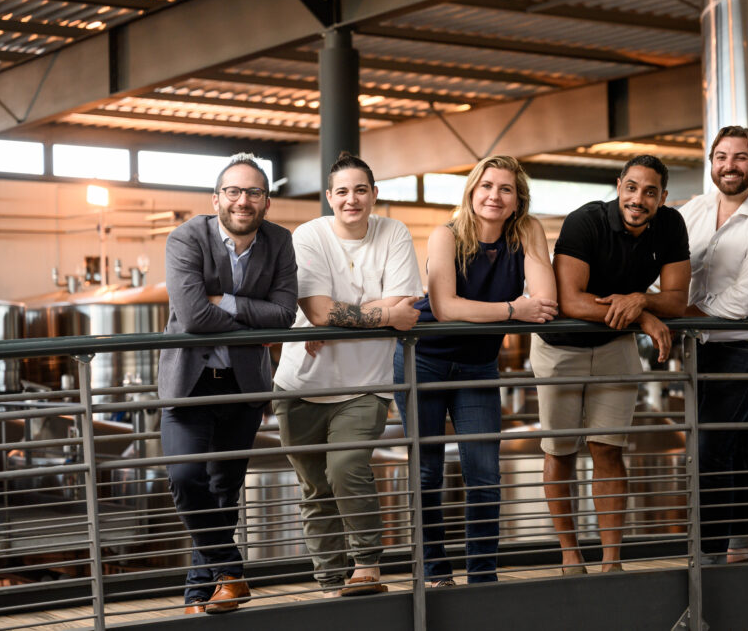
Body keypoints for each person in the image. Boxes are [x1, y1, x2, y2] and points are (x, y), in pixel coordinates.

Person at [393, 155, 557, 586]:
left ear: (518, 198)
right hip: (424, 360)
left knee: (484, 472)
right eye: (486, 186)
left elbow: (544, 301)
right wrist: (512, 310)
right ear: (471, 192)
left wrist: (514, 309)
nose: (494, 196)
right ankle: (435, 572)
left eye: (506, 189)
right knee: (427, 472)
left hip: (478, 365)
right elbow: (445, 308)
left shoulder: (527, 232)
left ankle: (483, 577)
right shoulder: (445, 236)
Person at [273, 153, 423, 597]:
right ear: (329, 197)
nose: (351, 199)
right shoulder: (308, 235)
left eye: (360, 190)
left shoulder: (394, 232)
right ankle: (328, 582)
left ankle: (366, 565)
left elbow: (402, 304)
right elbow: (320, 312)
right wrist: (378, 315)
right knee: (315, 488)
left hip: (365, 386)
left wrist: (334, 320)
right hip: (300, 384)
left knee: (346, 468)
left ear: (374, 194)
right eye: (342, 191)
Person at [531, 154, 690, 574]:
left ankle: (611, 562)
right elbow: (571, 301)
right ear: (619, 186)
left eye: (650, 192)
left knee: (609, 449)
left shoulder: (671, 225)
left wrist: (640, 300)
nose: (639, 199)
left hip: (614, 343)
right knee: (561, 450)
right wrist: (642, 316)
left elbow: (677, 300)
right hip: (560, 347)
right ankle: (570, 556)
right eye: (632, 188)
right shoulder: (585, 222)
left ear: (662, 198)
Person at [158, 153, 298, 615]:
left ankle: (201, 593)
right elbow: (193, 317)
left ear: (266, 202)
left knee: (224, 491)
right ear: (216, 199)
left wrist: (226, 301)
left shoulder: (279, 241)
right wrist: (251, 321)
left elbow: (284, 316)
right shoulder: (186, 237)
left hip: (243, 386)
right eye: (233, 191)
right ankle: (231, 570)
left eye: (254, 192)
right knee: (185, 477)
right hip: (189, 382)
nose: (243, 200)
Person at [679, 125, 748, 564]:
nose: (730, 166)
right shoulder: (695, 209)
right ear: (712, 163)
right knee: (732, 436)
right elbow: (669, 262)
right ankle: (741, 541)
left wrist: (681, 315)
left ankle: (706, 556)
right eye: (721, 157)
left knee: (710, 442)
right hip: (704, 341)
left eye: (741, 157)